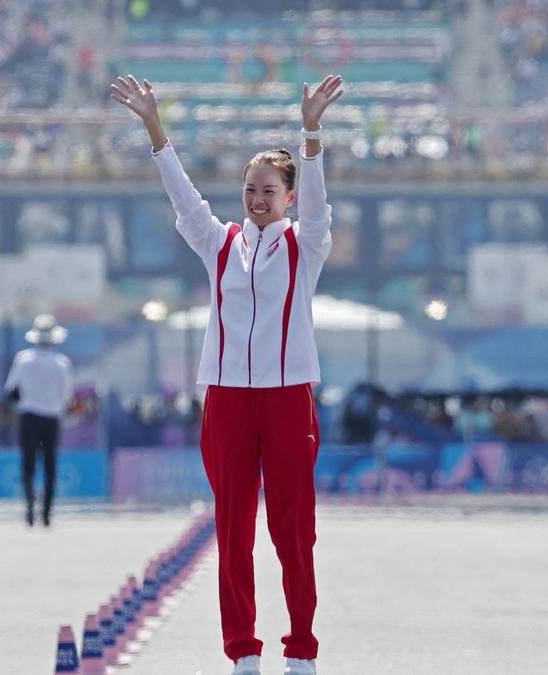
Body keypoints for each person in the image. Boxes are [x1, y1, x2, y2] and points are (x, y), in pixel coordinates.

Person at [111, 73, 343, 675]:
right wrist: (153, 124)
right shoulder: (221, 244)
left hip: (289, 398)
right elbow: (183, 194)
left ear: (289, 197)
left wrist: (311, 133)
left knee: (294, 532)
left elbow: (318, 197)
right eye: (249, 189)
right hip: (227, 400)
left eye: (268, 189)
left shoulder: (307, 243)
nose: (256, 199)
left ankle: (301, 649)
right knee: (233, 529)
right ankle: (242, 649)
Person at [4, 313, 75, 527]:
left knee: (28, 463)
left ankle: (29, 506)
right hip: (51, 418)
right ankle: (47, 512)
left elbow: (10, 390)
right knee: (50, 465)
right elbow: (67, 396)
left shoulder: (23, 360)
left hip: (29, 416)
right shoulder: (62, 363)